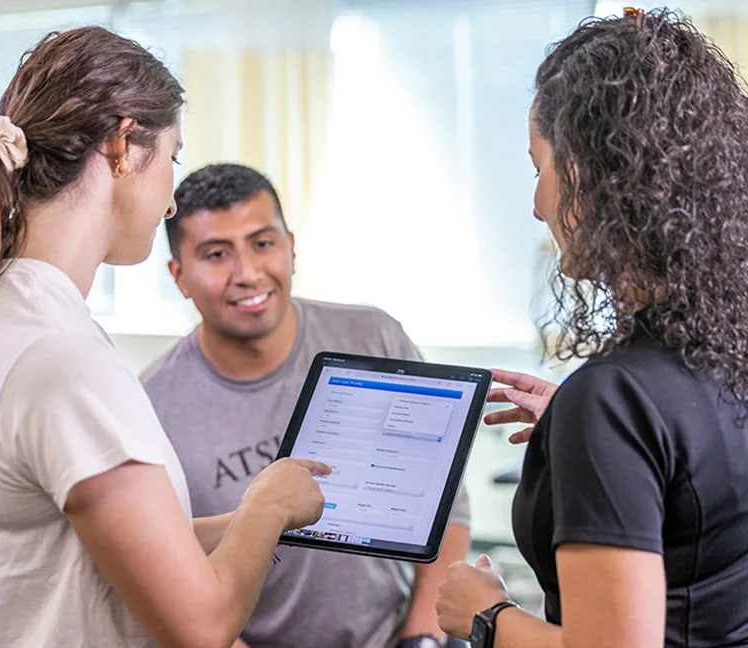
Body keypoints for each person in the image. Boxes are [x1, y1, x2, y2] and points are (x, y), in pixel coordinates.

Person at [0, 27, 332, 648]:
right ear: (123, 145)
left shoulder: (20, 316)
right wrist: (267, 506)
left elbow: (97, 550)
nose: (172, 202)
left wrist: (239, 524)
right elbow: (200, 627)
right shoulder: (59, 356)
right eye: (171, 158)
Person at [435, 9, 748, 648]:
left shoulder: (615, 399)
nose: (535, 203)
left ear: (586, 173)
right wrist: (602, 444)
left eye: (538, 169)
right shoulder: (723, 349)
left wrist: (487, 613)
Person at [142, 163, 472, 648]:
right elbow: (162, 574)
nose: (247, 273)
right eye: (216, 254)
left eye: (262, 243)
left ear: (291, 246)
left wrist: (422, 639)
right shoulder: (150, 405)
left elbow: (445, 504)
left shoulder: (372, 338)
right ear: (180, 276)